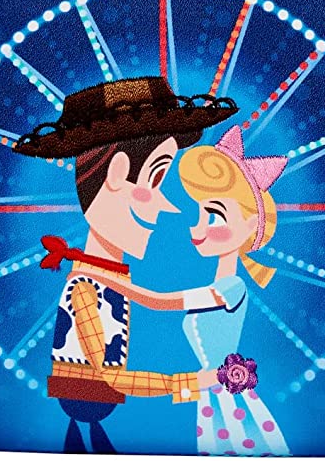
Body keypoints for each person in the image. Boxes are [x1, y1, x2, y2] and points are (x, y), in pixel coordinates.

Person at [13, 76, 238, 453]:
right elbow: (110, 378)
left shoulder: (106, 280)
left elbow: (152, 303)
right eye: (156, 177)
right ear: (117, 174)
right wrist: (191, 383)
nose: (167, 206)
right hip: (88, 409)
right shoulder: (85, 287)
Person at [80, 125, 291, 456]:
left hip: (222, 393)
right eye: (200, 213)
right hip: (209, 391)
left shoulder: (231, 289)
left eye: (214, 216)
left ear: (250, 225)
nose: (198, 226)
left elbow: (160, 302)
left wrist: (105, 278)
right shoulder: (218, 286)